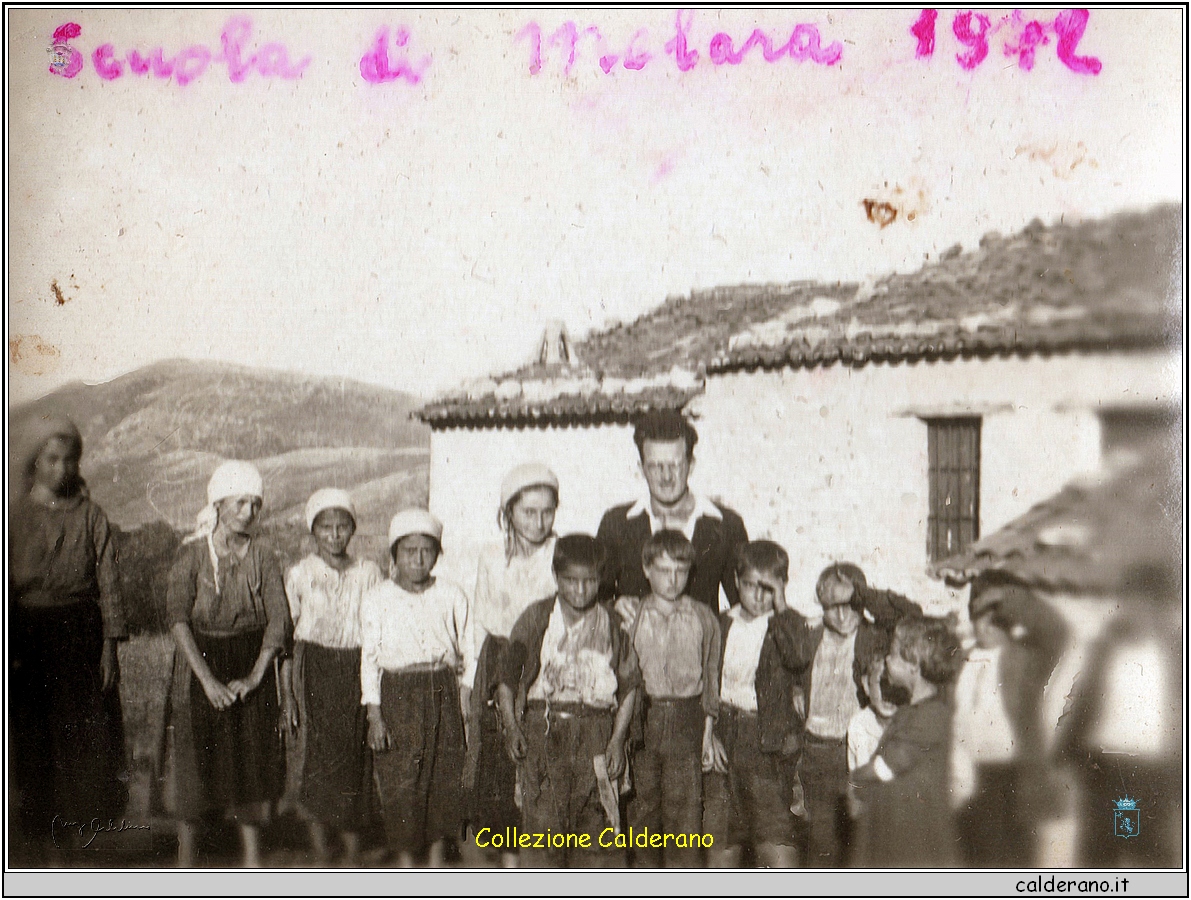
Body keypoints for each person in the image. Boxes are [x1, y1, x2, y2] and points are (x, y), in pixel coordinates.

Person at [9, 415, 128, 863]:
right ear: (35, 461)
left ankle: (82, 842)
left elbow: (110, 583)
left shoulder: (92, 516)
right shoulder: (15, 517)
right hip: (26, 635)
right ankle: (43, 844)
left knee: (82, 738)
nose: (61, 469)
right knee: (35, 736)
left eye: (69, 459)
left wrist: (110, 647)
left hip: (80, 632)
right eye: (51, 459)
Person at [166, 460, 292, 868]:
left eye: (255, 505)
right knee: (195, 763)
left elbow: (279, 620)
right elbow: (177, 620)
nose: (248, 512)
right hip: (199, 663)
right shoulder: (191, 557)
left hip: (249, 661)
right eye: (240, 503)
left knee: (250, 761)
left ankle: (252, 862)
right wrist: (207, 682)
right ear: (218, 505)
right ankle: (186, 862)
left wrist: (255, 677)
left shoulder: (264, 557)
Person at [495, 534, 641, 867]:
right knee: (543, 839)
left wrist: (618, 741)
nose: (579, 590)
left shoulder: (613, 624)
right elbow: (505, 679)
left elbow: (630, 686)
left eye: (589, 581)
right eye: (570, 581)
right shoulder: (536, 618)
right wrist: (513, 728)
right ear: (556, 577)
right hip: (545, 735)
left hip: (596, 738)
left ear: (600, 579)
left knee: (600, 841)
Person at [775, 562, 921, 867]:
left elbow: (912, 617)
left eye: (849, 606)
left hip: (857, 749)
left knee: (863, 840)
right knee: (820, 841)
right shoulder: (811, 633)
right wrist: (795, 692)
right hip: (816, 751)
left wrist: (863, 594)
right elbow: (784, 663)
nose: (842, 617)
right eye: (833, 607)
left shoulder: (874, 636)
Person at [360, 508, 475, 867]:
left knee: (443, 777)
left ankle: (438, 863)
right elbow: (370, 660)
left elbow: (469, 649)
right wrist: (375, 716)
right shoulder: (377, 598)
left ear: (437, 554)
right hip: (398, 693)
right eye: (408, 550)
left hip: (441, 689)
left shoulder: (452, 594)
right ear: (394, 554)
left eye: (427, 550)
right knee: (401, 782)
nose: (418, 558)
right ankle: (408, 867)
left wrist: (465, 695)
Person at [1056, 563, 1182, 868]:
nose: (1132, 610)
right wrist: (1063, 758)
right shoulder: (1104, 649)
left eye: (1142, 602)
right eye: (1128, 602)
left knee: (1153, 861)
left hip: (1155, 774)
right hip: (1106, 771)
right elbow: (1081, 706)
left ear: (1161, 606)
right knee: (1099, 859)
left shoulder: (1179, 655)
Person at [281, 489, 383, 866]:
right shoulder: (300, 574)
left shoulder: (368, 573)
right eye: (326, 527)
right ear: (314, 531)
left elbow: (377, 628)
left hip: (357, 665)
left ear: (353, 530)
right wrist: (288, 695)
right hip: (317, 667)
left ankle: (354, 849)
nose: (335, 535)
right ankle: (321, 847)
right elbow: (286, 639)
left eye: (343, 527)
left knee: (357, 753)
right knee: (321, 753)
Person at [466, 463, 560, 867]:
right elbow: (482, 623)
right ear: (508, 513)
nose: (539, 522)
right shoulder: (491, 556)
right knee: (499, 772)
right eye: (528, 512)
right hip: (499, 663)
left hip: (542, 662)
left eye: (547, 511)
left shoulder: (561, 552)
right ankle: (506, 867)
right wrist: (477, 682)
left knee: (539, 765)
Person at [615, 529, 722, 868]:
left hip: (687, 721)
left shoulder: (704, 617)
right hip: (643, 720)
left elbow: (711, 678)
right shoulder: (631, 616)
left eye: (681, 570)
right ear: (646, 569)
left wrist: (707, 732)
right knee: (643, 813)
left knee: (684, 814)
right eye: (663, 570)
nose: (673, 579)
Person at [952, 573, 1068, 868]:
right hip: (967, 779)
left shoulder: (1024, 658)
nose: (989, 625)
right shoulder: (959, 658)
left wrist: (1007, 597)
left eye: (998, 617)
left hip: (1011, 780)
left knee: (1013, 866)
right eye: (981, 616)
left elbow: (1057, 631)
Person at [704, 541, 802, 868]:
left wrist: (782, 603)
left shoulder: (785, 624)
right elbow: (704, 684)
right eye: (750, 586)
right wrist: (709, 734)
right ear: (736, 580)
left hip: (764, 742)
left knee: (773, 837)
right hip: (722, 736)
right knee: (722, 835)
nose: (758, 597)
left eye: (767, 589)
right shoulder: (721, 623)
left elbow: (799, 656)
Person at [597, 410, 748, 613]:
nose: (666, 477)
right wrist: (614, 604)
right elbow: (595, 595)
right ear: (641, 469)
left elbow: (744, 603)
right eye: (655, 466)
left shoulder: (726, 525)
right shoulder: (616, 524)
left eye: (674, 465)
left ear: (691, 465)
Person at [851, 616, 963, 868]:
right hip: (893, 824)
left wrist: (855, 780)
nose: (887, 659)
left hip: (914, 835)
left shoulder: (932, 715)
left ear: (913, 665)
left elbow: (885, 767)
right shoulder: (909, 712)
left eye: (892, 654)